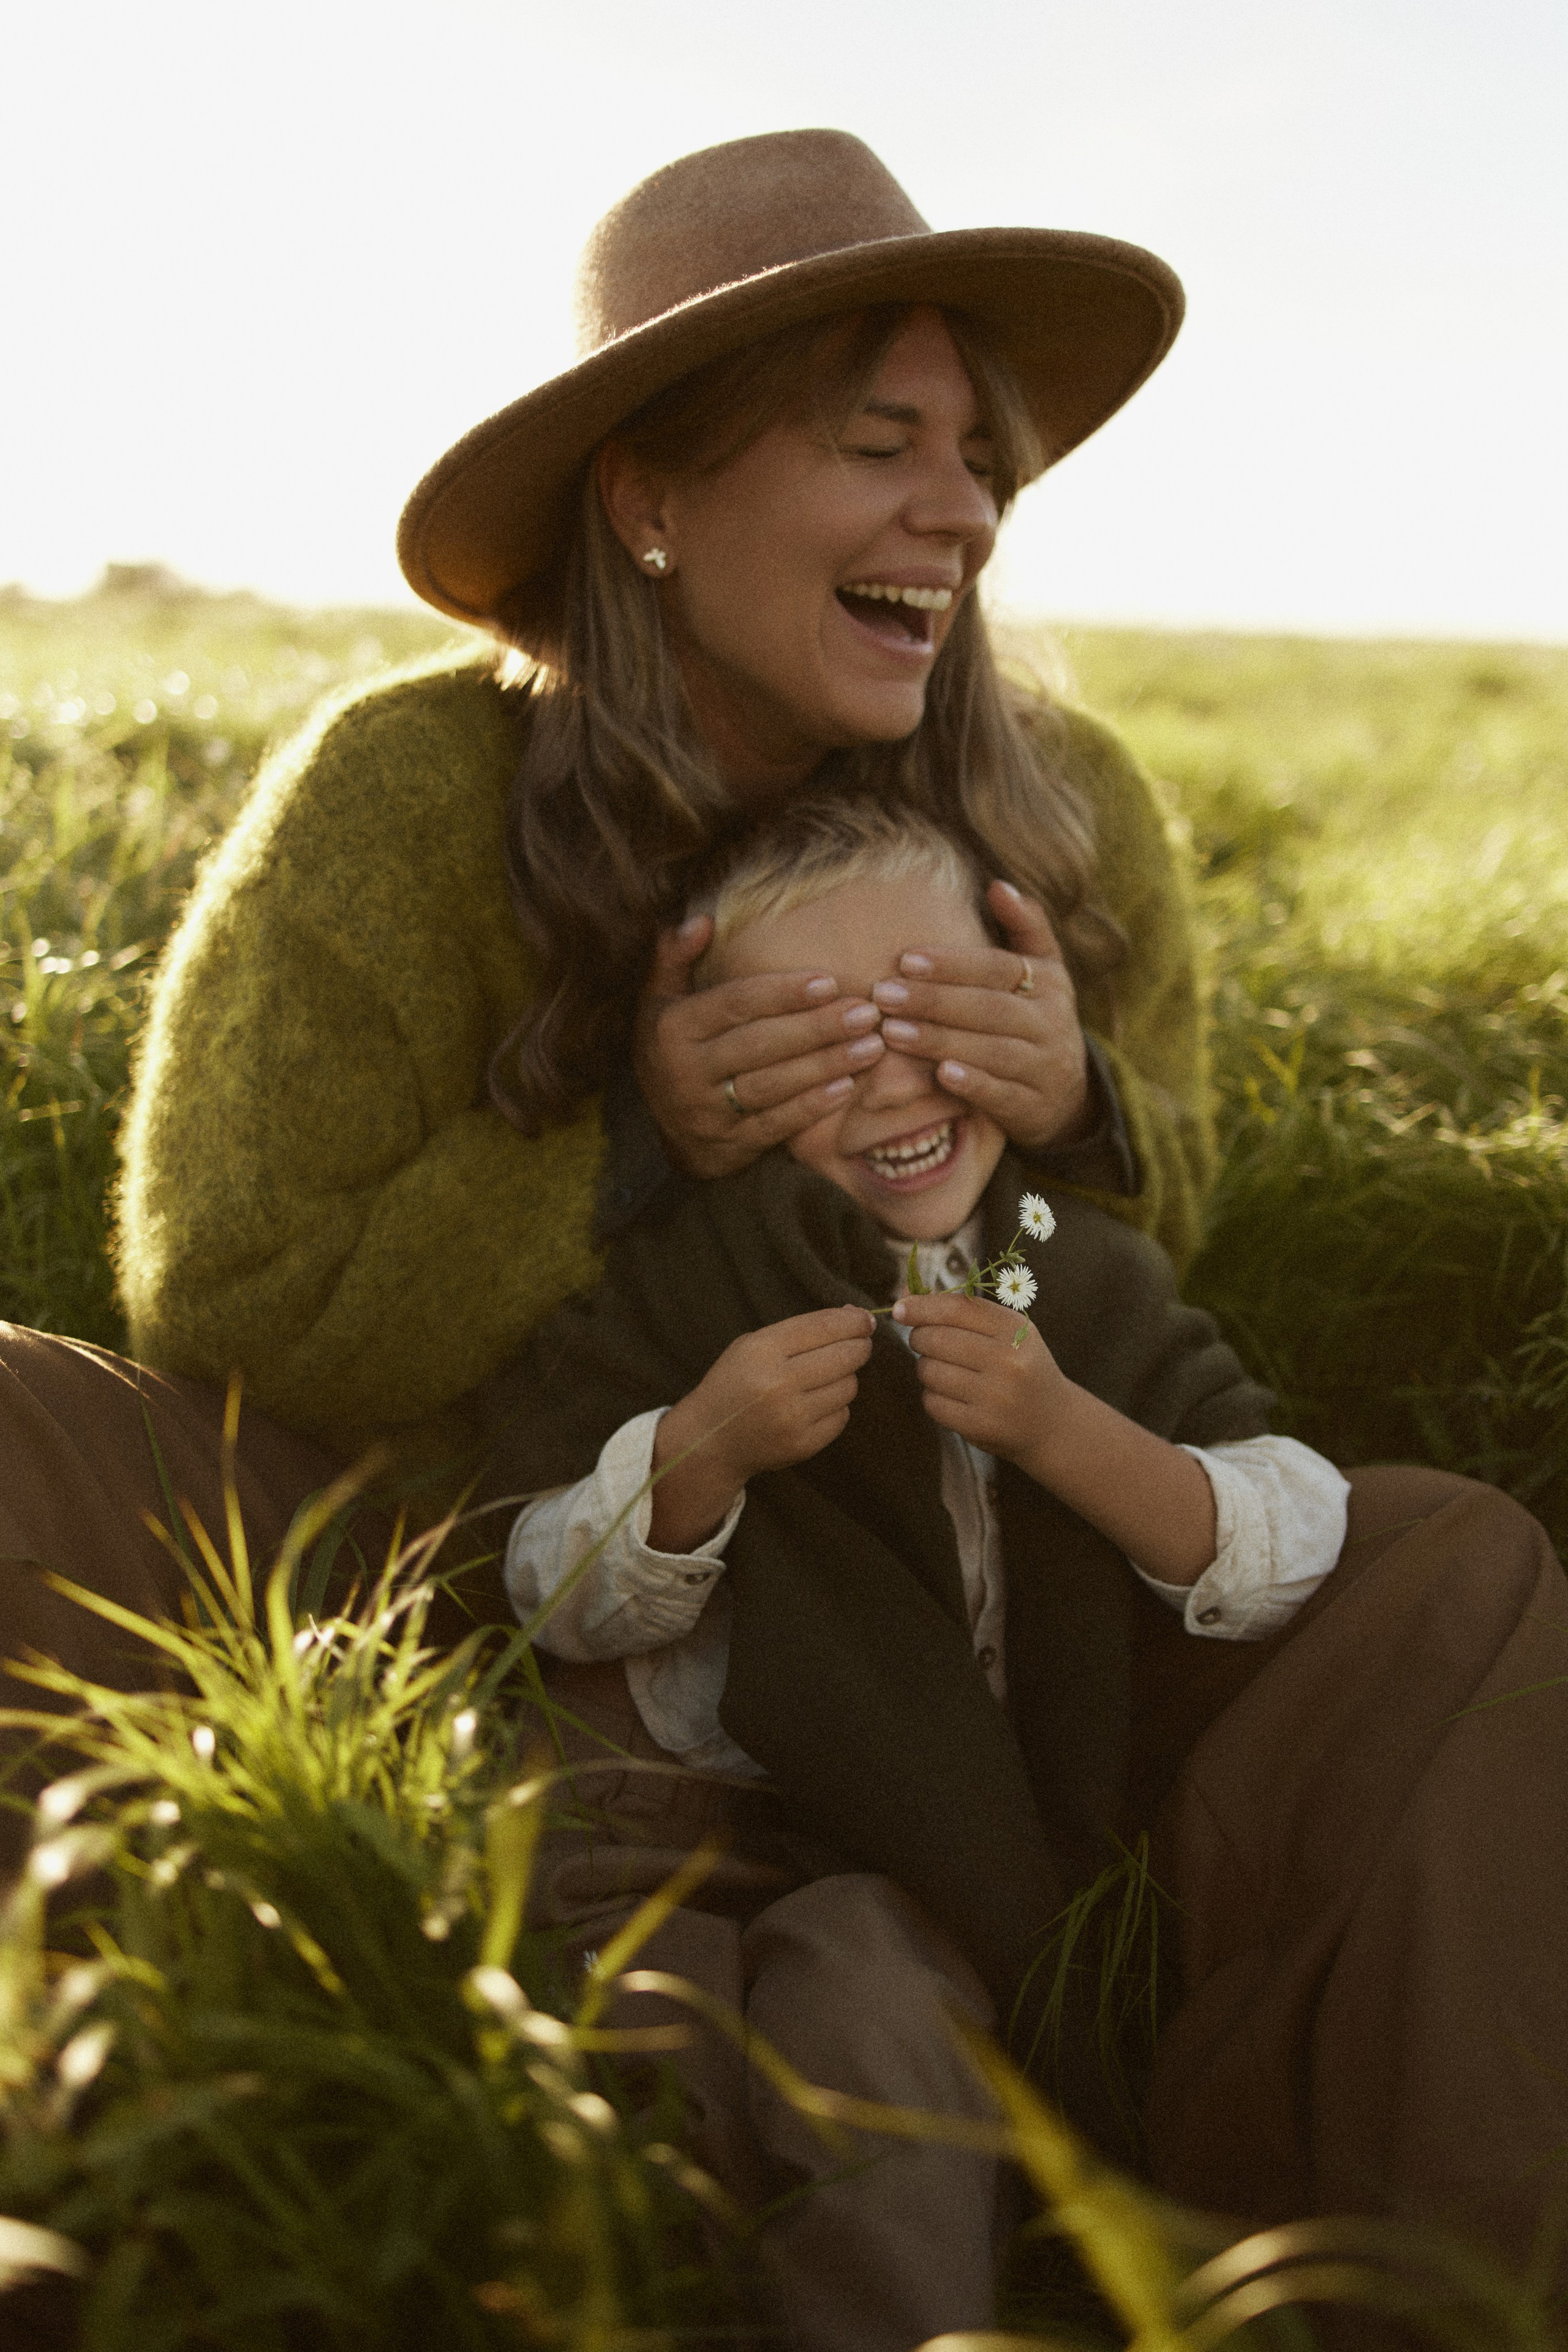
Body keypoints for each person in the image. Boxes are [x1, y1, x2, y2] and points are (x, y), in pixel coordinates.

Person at [0, 123, 1559, 2330]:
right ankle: (106, 2110)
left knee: (1453, 1579)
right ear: (648, 491)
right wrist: (627, 1145)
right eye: (880, 443)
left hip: (988, 1581)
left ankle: (1374, 2270)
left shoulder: (1069, 800)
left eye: (980, 457)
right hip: (474, 1569)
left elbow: (1160, 1226)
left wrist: (1072, 1109)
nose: (964, 507)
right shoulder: (406, 800)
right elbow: (239, 1300)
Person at [498, 796, 1352, 2350]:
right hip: (723, 1812)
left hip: (1009, 1833)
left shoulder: (1082, 1270)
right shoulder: (698, 1279)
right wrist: (704, 1456)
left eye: (934, 1017)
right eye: (823, 1047)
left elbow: (1285, 1535)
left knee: (875, 2005)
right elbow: (546, 1586)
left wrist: (1064, 1432)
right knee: (715, 2063)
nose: (896, 1079)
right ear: (726, 1081)